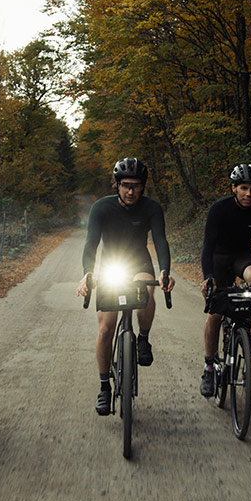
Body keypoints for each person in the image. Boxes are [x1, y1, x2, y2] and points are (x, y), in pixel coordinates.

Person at [76, 157, 176, 416]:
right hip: (111, 265)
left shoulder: (152, 208)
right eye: (126, 185)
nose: (131, 191)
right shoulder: (101, 208)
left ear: (143, 186)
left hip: (139, 263)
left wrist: (164, 271)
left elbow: (161, 241)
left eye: (136, 186)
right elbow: (90, 244)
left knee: (146, 292)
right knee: (106, 328)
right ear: (117, 184)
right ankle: (104, 388)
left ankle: (143, 339)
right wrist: (87, 273)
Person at [199, 163, 251, 398]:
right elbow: (207, 246)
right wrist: (208, 277)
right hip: (218, 256)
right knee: (215, 313)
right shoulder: (219, 208)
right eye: (243, 188)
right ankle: (209, 367)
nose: (248, 194)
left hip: (242, 255)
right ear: (234, 188)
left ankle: (244, 329)